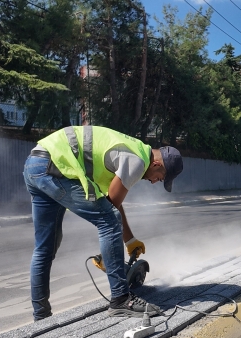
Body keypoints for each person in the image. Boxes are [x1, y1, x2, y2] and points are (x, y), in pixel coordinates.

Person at [23, 125, 183, 321]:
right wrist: (109, 256)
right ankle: (121, 299)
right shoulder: (137, 161)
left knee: (44, 249)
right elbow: (110, 214)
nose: (154, 182)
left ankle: (41, 316)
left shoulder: (134, 149)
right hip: (55, 168)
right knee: (107, 222)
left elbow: (111, 203)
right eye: (160, 178)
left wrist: (129, 240)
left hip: (36, 163)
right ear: (157, 165)